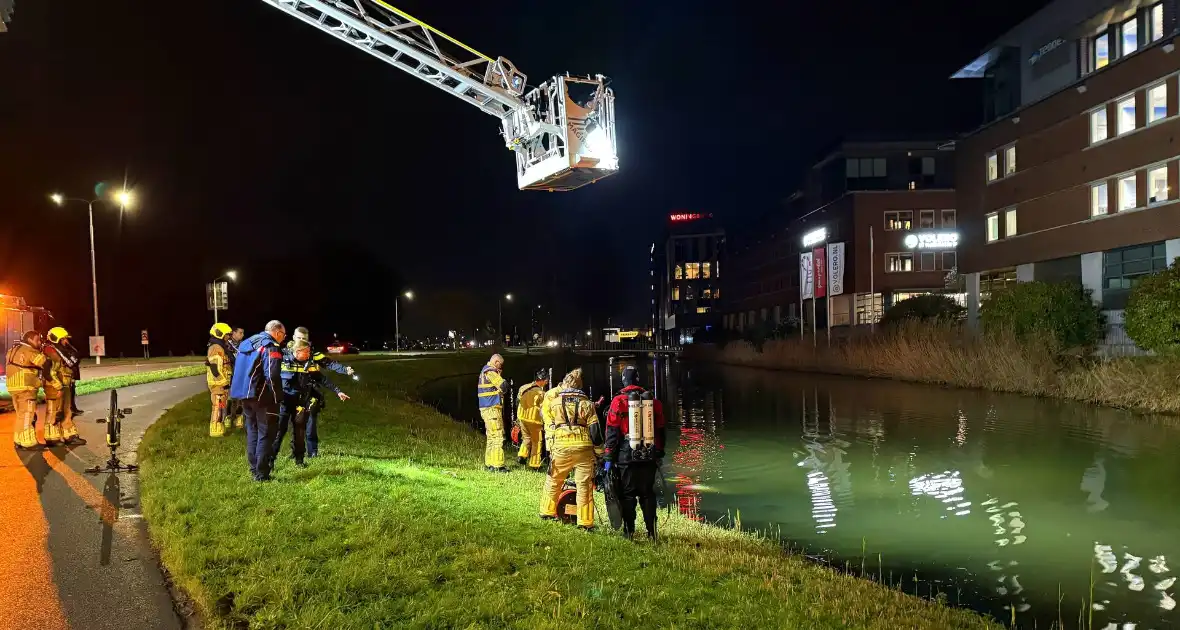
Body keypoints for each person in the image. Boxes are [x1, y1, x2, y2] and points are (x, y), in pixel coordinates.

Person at [604, 365, 666, 541]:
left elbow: (612, 431)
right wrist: (659, 452)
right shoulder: (653, 401)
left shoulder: (618, 401)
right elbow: (660, 430)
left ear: (624, 380)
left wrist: (609, 456)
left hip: (626, 453)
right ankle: (652, 533)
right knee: (647, 493)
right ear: (638, 380)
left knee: (627, 493)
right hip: (649, 452)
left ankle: (629, 531)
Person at [539, 368, 604, 530]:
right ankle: (585, 523)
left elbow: (548, 419)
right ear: (580, 385)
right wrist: (600, 452)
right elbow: (595, 432)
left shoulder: (555, 403)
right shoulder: (587, 405)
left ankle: (546, 512)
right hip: (583, 449)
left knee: (554, 479)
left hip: (561, 447)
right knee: (584, 486)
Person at [272, 339, 349, 467]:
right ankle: (270, 461)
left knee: (299, 433)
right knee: (279, 433)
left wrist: (338, 391)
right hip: (284, 404)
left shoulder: (307, 364)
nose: (309, 354)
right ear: (298, 351)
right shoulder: (283, 362)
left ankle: (300, 461)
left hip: (300, 404)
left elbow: (321, 378)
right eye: (306, 352)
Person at [229, 320, 286, 482]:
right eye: (283, 335)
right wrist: (277, 397)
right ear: (277, 332)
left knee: (252, 432)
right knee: (266, 433)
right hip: (261, 397)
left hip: (243, 395)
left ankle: (254, 469)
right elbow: (272, 375)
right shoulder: (270, 346)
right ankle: (261, 474)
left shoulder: (248, 342)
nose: (283, 338)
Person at [42, 327, 84, 446]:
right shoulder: (51, 352)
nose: (66, 341)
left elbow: (72, 361)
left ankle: (69, 436)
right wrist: (58, 387)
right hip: (55, 387)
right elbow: (49, 372)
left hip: (64, 384)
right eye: (64, 339)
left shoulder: (60, 351)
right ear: (57, 339)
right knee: (53, 412)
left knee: (67, 412)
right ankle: (51, 438)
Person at [6, 330, 46, 450]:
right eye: (37, 340)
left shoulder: (12, 350)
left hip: (13, 387)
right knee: (28, 415)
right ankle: (27, 442)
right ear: (30, 340)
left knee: (20, 415)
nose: (39, 342)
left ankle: (18, 440)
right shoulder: (30, 351)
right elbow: (44, 362)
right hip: (26, 387)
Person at [476, 353, 509, 472]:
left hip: (486, 408)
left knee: (491, 437)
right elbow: (504, 386)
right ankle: (498, 465)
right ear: (496, 362)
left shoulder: (484, 371)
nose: (501, 368)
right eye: (500, 365)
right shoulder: (491, 372)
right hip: (492, 409)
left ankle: (489, 463)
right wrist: (501, 376)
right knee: (498, 436)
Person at [287, 327, 355, 378]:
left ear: (307, 340)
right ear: (293, 337)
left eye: (304, 339)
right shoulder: (285, 353)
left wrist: (345, 369)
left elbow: (329, 363)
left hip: (306, 390)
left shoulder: (312, 354)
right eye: (299, 338)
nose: (301, 341)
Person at [515, 369, 548, 470]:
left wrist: (517, 418)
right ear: (542, 380)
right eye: (546, 380)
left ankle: (522, 455)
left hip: (522, 418)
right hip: (534, 420)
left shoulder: (523, 387)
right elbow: (544, 409)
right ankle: (535, 464)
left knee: (526, 438)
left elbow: (517, 401)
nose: (547, 382)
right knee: (537, 442)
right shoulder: (542, 393)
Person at [206, 323, 234, 437]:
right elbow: (215, 369)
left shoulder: (221, 347)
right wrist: (223, 383)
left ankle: (220, 428)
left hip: (222, 384)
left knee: (222, 406)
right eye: (227, 335)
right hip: (218, 384)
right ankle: (215, 429)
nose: (228, 337)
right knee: (218, 406)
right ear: (220, 334)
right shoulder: (216, 348)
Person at [224, 327, 246, 428]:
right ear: (234, 333)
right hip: (229, 374)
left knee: (240, 397)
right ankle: (228, 417)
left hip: (240, 374)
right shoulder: (226, 344)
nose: (242, 335)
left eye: (243, 333)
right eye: (240, 333)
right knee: (230, 397)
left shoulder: (243, 345)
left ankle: (238, 417)